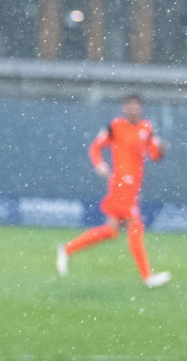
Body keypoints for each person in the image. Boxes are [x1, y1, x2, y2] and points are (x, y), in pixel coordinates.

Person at [55, 95, 172, 288]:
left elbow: (154, 155)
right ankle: (147, 277)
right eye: (129, 107)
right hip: (121, 184)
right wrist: (99, 164)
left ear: (141, 109)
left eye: (136, 107)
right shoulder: (115, 126)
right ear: (124, 108)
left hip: (133, 187)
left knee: (111, 230)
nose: (133, 110)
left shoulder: (146, 128)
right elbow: (95, 147)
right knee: (135, 226)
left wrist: (160, 149)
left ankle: (67, 249)